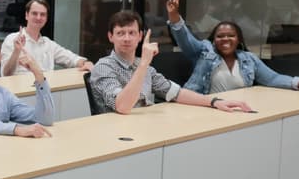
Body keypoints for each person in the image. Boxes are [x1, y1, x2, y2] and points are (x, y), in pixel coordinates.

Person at [89, 10, 253, 114]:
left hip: (143, 128)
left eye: (132, 33)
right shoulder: (104, 67)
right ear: (111, 37)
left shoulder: (143, 66)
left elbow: (176, 93)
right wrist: (144, 64)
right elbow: (123, 107)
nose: (126, 38)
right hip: (116, 135)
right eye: (120, 33)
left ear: (140, 36)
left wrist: (214, 102)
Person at [165, 0, 299, 94]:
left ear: (239, 39)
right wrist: (174, 16)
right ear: (213, 40)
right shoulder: (205, 52)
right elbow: (185, 39)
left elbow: (272, 78)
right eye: (220, 36)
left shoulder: (248, 59)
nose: (225, 39)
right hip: (204, 108)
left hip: (237, 111)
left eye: (231, 35)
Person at [0, 0, 92, 76]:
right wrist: (16, 51)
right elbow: (5, 74)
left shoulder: (48, 44)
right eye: (34, 13)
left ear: (46, 18)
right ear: (27, 15)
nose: (39, 17)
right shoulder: (12, 39)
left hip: (45, 92)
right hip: (21, 94)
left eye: (42, 14)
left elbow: (70, 58)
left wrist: (85, 63)